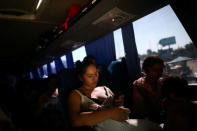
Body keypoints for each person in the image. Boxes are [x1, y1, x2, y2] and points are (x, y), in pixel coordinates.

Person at [67, 60, 162, 131]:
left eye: (96, 74)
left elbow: (120, 111)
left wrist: (119, 104)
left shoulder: (105, 89)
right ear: (80, 77)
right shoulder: (75, 95)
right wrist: (111, 112)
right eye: (90, 76)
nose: (95, 79)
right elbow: (75, 121)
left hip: (123, 124)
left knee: (155, 126)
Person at [132, 55, 164, 122]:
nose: (159, 73)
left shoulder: (161, 83)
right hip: (144, 119)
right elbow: (151, 108)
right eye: (155, 70)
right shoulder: (139, 85)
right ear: (146, 70)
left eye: (161, 70)